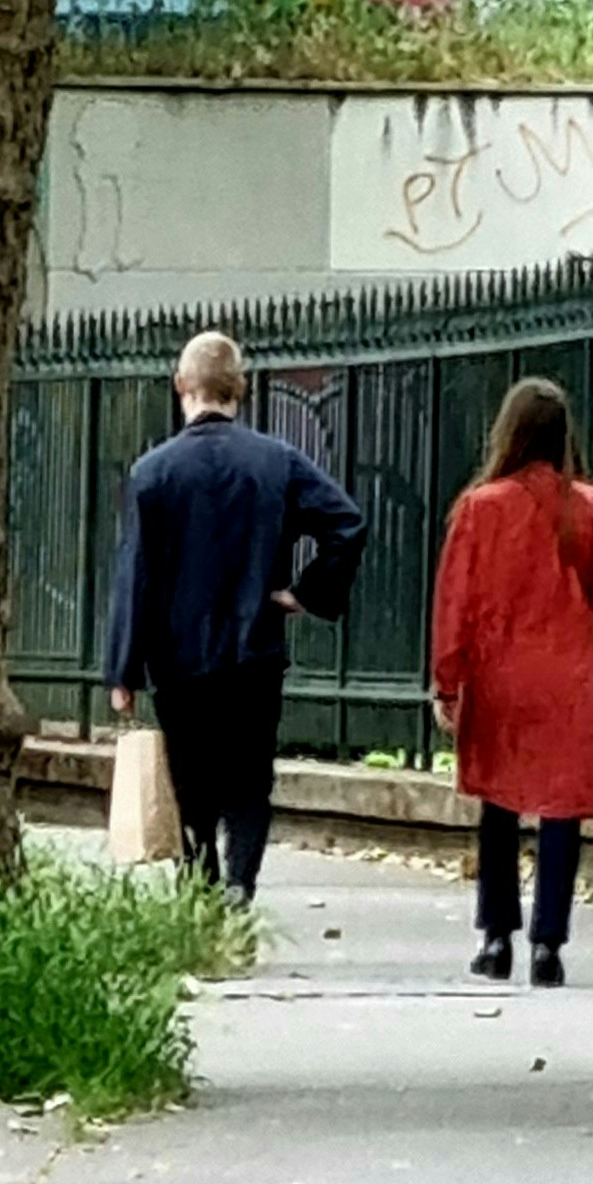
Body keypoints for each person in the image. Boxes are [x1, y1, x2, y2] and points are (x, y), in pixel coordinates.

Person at [106, 329, 366, 903]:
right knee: (250, 776)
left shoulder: (152, 472)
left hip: (178, 655)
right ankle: (242, 881)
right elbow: (347, 524)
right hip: (254, 646)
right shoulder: (276, 462)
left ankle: (200, 882)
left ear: (181, 386)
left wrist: (122, 669)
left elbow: (136, 574)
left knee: (191, 779)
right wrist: (305, 593)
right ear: (240, 389)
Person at [430, 376, 593, 987]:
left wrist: (449, 682)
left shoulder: (480, 508)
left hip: (502, 676)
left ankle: (496, 938)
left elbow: (456, 604)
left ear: (507, 432)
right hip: (572, 675)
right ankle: (549, 945)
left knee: (499, 804)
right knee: (562, 810)